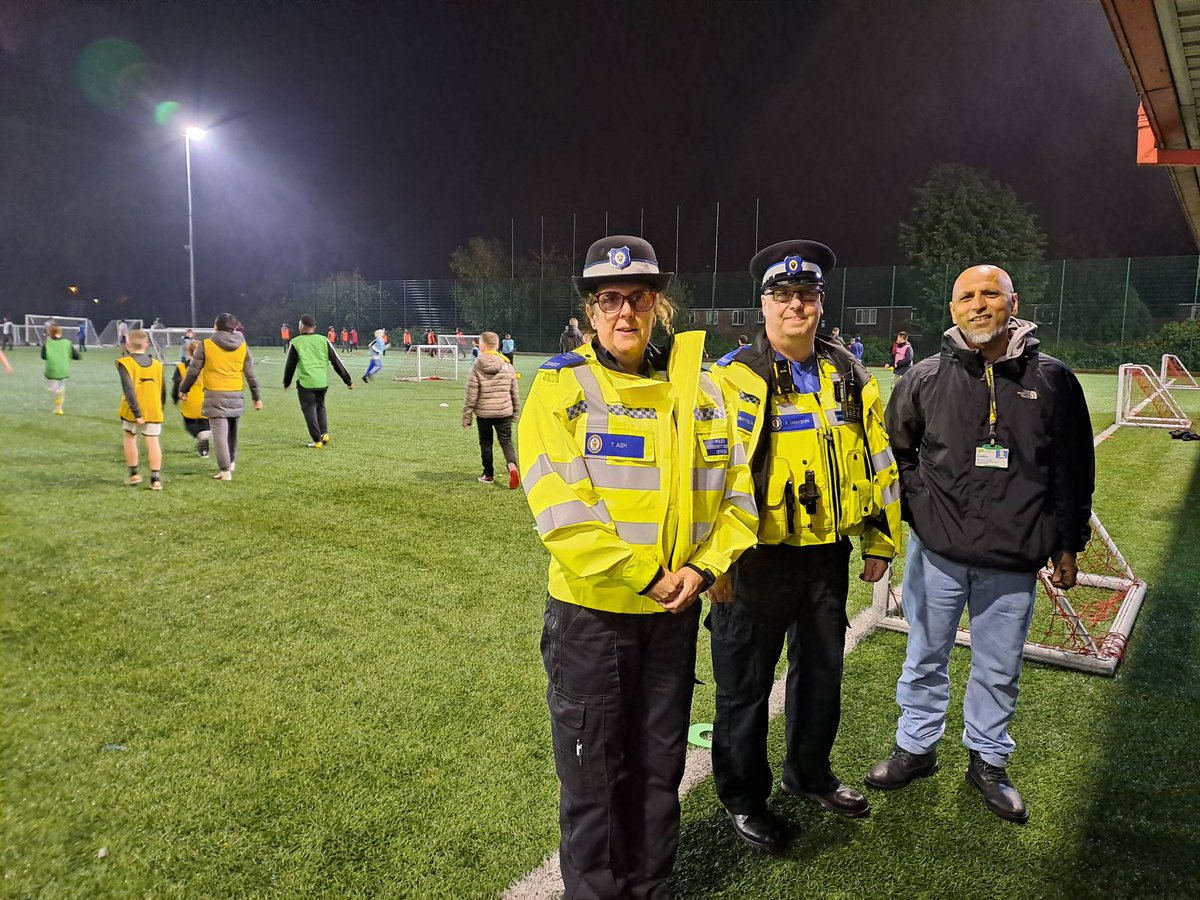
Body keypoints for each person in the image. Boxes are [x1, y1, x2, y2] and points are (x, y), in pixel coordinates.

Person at [518, 235, 758, 898]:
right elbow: (562, 512)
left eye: (639, 298)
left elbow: (737, 497)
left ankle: (653, 888)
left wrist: (704, 571)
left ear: (659, 306)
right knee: (594, 779)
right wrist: (650, 576)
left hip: (672, 621)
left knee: (659, 772)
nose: (625, 312)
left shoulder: (706, 391)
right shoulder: (560, 388)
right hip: (591, 619)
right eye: (610, 299)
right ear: (591, 312)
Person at [864, 265, 1094, 825]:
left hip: (1014, 557)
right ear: (953, 309)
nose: (978, 304)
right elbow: (899, 456)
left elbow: (1072, 467)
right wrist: (923, 513)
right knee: (924, 657)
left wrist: (1068, 542)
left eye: (990, 293)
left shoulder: (1055, 379)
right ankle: (916, 748)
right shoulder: (921, 378)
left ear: (1012, 302)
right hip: (938, 553)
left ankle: (988, 760)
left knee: (998, 666)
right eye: (966, 296)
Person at [706, 240, 902, 853]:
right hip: (752, 559)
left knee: (822, 675)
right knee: (744, 686)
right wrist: (711, 561)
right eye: (783, 295)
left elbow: (877, 460)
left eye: (808, 295)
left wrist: (879, 536)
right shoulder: (732, 378)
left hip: (825, 558)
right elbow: (706, 475)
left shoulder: (847, 371)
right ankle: (743, 799)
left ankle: (808, 773)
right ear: (762, 305)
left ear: (821, 304)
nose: (797, 305)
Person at [179, 313, 262, 481]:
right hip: (235, 392)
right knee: (233, 431)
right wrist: (256, 396)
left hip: (215, 394)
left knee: (219, 434)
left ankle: (225, 471)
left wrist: (184, 389)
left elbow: (193, 370)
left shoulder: (206, 345)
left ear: (216, 326)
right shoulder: (242, 345)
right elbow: (250, 373)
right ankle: (231, 462)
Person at [284, 314, 354, 447]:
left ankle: (317, 440)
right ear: (314, 327)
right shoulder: (323, 340)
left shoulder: (296, 342)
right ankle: (324, 433)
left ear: (301, 326)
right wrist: (348, 380)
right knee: (320, 406)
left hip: (306, 382)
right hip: (322, 382)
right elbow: (336, 361)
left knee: (309, 409)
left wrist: (287, 382)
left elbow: (290, 366)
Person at [462, 332, 521, 487]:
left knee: (486, 443)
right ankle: (512, 466)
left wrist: (467, 415)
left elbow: (471, 392)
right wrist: (515, 411)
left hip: (484, 413)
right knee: (506, 441)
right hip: (504, 411)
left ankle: (488, 474)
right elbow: (514, 390)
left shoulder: (477, 365)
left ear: (482, 346)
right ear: (497, 345)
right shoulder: (507, 364)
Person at [117, 329, 166, 489]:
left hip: (132, 409)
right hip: (153, 407)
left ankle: (134, 474)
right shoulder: (157, 365)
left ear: (128, 344)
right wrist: (160, 408)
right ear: (146, 345)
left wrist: (137, 412)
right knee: (153, 441)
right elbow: (162, 389)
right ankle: (156, 479)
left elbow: (128, 389)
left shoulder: (125, 362)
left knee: (130, 437)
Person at [171, 340, 211, 457]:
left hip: (189, 400)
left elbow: (176, 385)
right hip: (206, 399)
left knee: (189, 424)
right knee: (205, 424)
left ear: (189, 352)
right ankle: (204, 450)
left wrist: (175, 398)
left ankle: (201, 439)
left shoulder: (182, 367)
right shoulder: (208, 366)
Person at [41, 323, 81, 414]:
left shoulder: (47, 343)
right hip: (63, 370)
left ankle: (57, 401)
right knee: (61, 387)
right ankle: (58, 408)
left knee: (53, 389)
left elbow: (43, 356)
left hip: (51, 370)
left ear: (50, 333)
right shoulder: (67, 343)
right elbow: (77, 356)